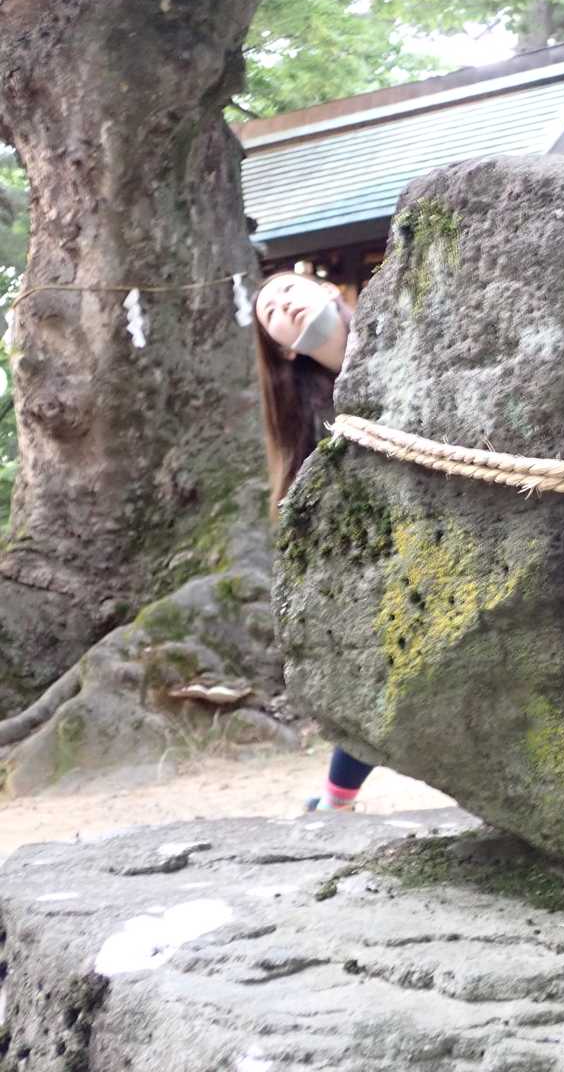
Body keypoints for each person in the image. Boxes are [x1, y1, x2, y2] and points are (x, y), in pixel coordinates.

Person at [253, 270, 373, 812]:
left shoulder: (400, 327)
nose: (283, 305)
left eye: (288, 289)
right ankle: (338, 797)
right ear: (283, 349)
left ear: (326, 289)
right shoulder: (312, 418)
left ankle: (336, 796)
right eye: (270, 312)